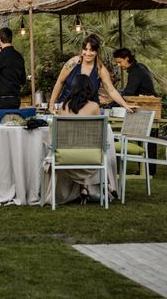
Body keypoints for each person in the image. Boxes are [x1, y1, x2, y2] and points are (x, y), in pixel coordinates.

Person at [46, 74, 116, 205]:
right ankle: (102, 185)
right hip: (90, 156)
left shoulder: (63, 107)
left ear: (72, 88)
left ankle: (84, 187)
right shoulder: (94, 107)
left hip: (66, 155)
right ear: (89, 89)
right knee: (102, 148)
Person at [49, 34, 134, 113]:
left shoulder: (100, 69)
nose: (88, 53)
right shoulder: (73, 62)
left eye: (92, 50)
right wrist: (51, 104)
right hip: (66, 107)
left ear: (97, 52)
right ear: (82, 50)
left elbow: (111, 90)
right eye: (85, 49)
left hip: (89, 110)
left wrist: (125, 105)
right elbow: (59, 82)